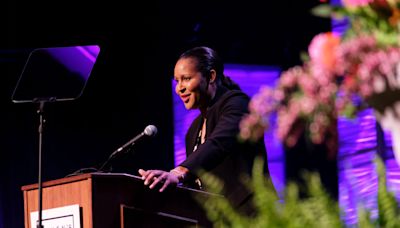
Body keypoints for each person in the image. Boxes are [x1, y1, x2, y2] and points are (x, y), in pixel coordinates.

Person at [138, 46, 273, 214]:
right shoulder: (193, 131)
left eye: (186, 79)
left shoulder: (237, 104)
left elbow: (218, 143)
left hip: (253, 215)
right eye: (177, 81)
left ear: (211, 76)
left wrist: (178, 173)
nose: (179, 88)